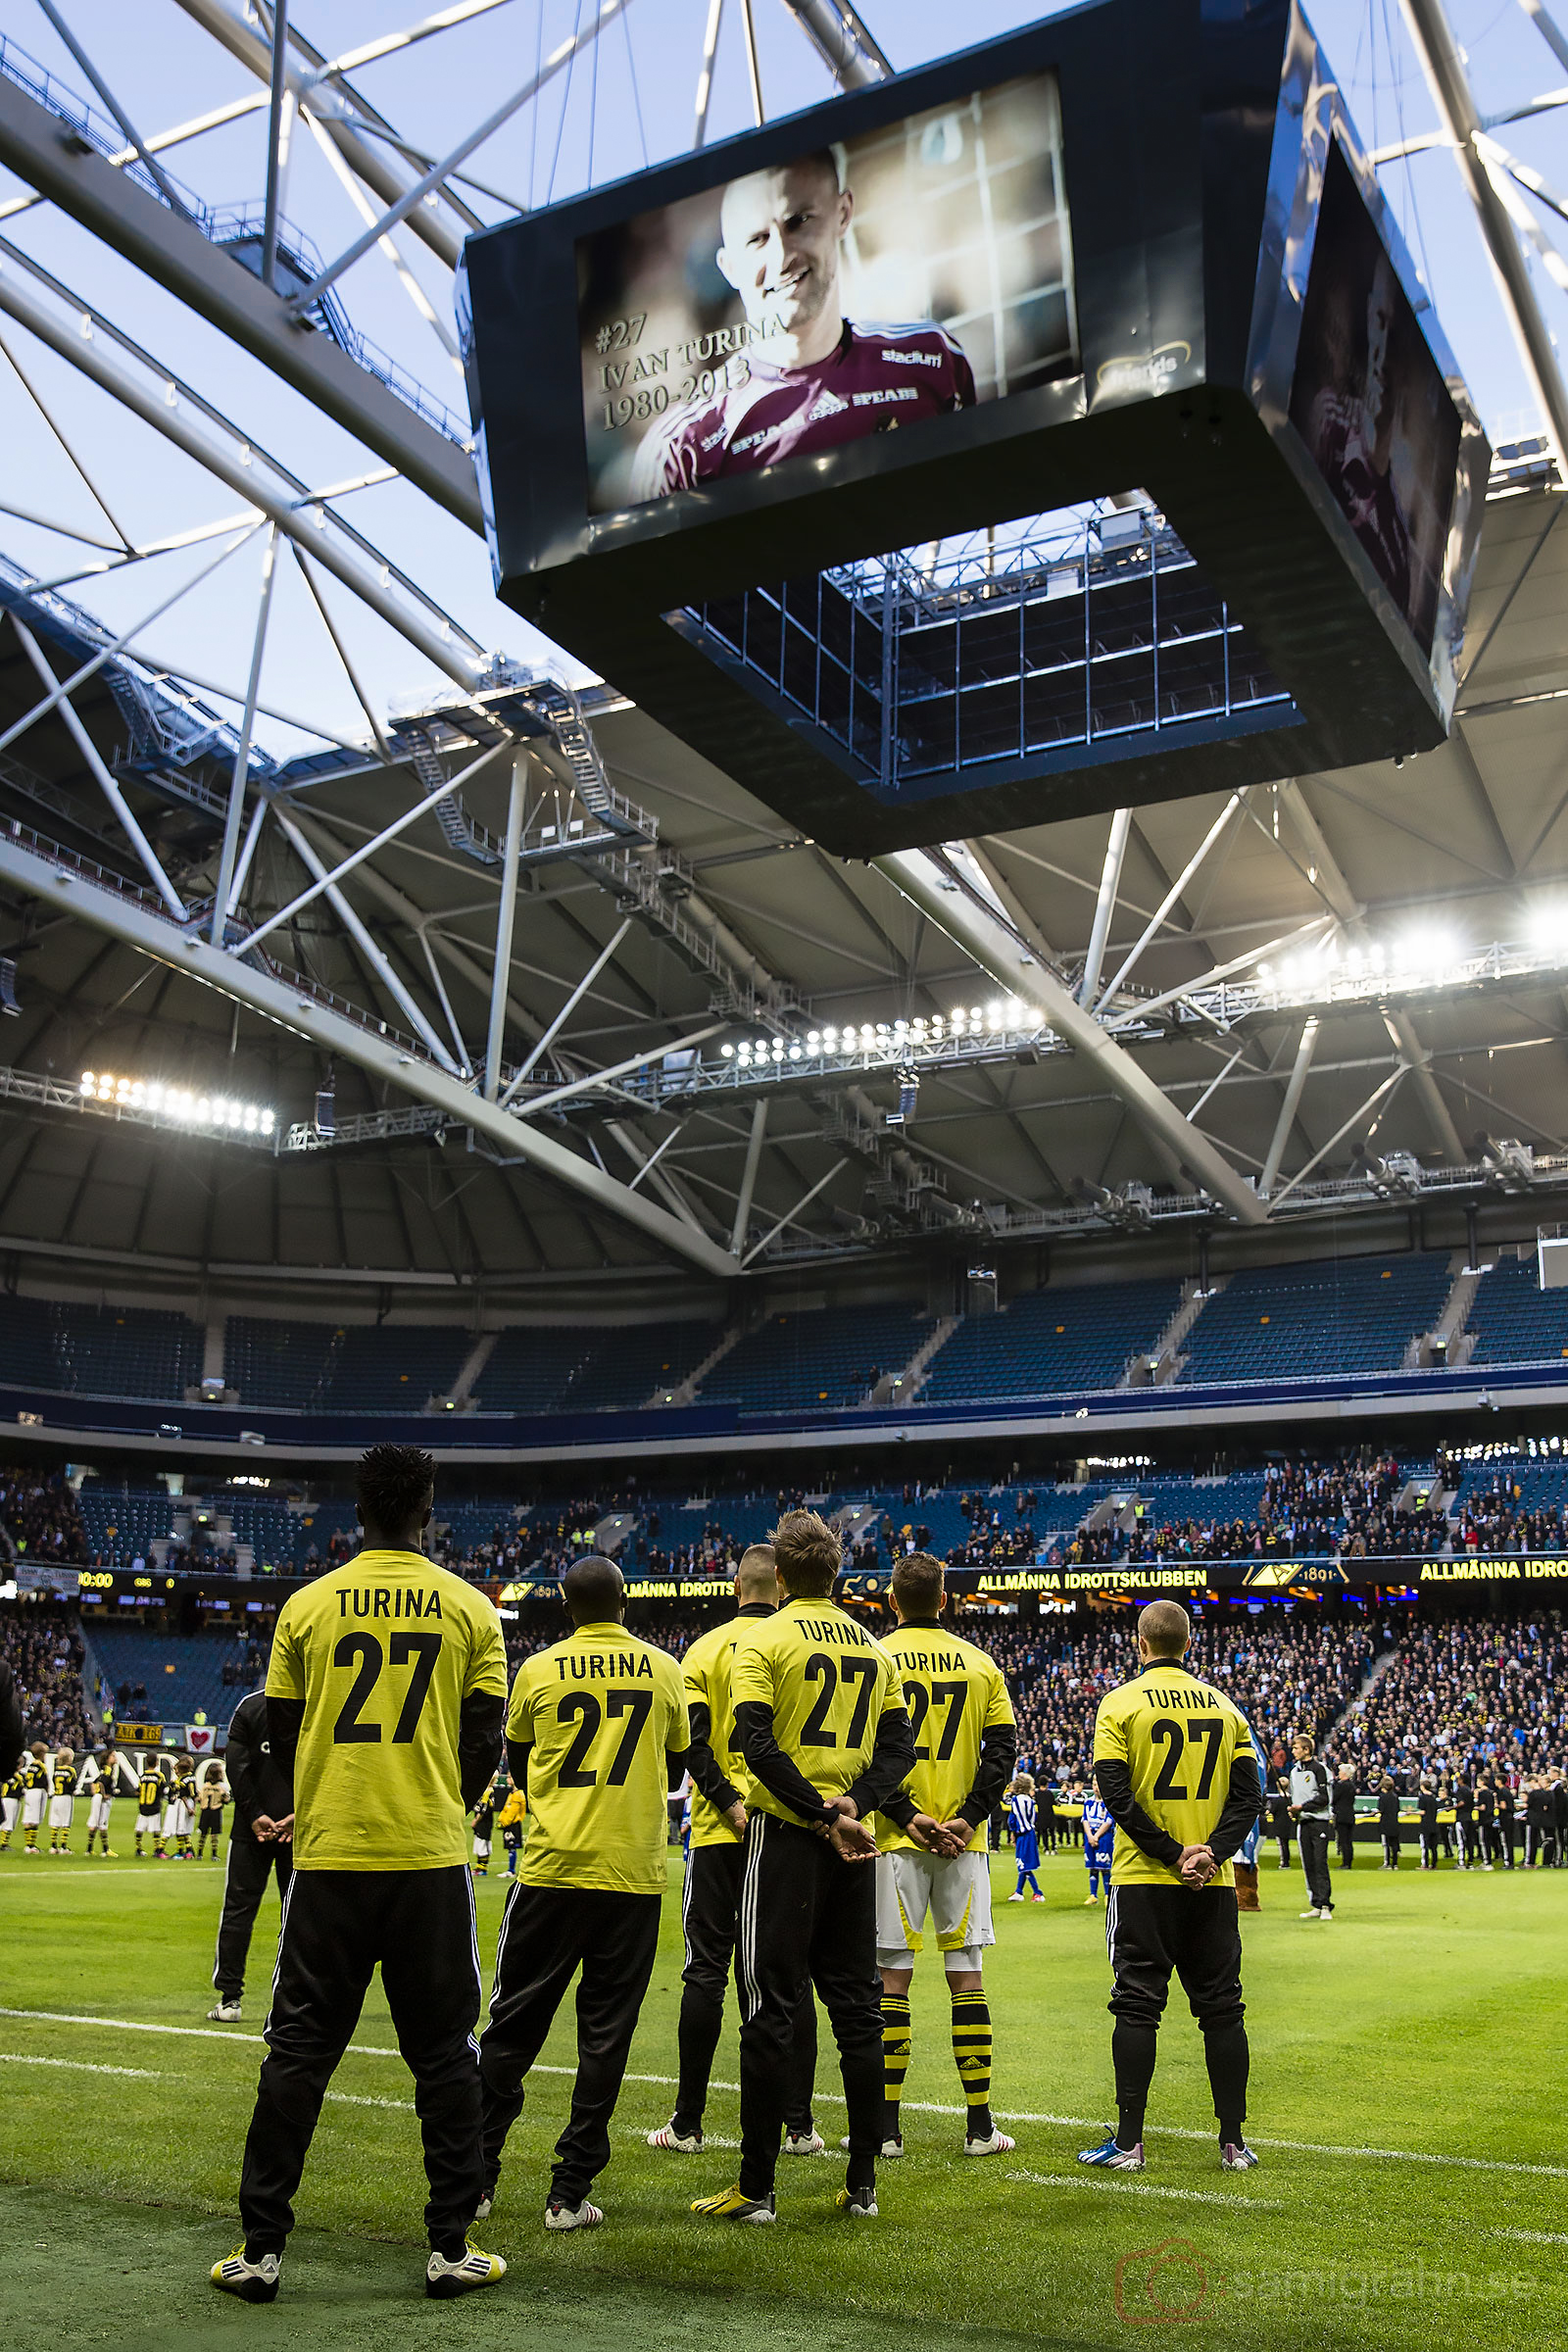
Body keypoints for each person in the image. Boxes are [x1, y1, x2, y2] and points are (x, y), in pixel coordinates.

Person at [213, 1442, 509, 2305]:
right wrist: (430, 1796)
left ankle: (261, 2251)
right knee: (447, 2056)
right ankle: (451, 2248)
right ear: (426, 1509)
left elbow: (287, 1731)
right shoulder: (470, 1608)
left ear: (359, 1509)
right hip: (427, 1857)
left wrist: (338, 1793)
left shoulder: (306, 1607)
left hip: (331, 1858)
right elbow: (484, 1742)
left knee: (297, 2052)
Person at [691, 1508, 919, 2226]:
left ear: (781, 1576)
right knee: (856, 2011)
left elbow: (753, 1745)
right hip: (852, 1846)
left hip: (789, 1837)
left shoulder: (761, 1639)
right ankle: (862, 2186)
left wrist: (822, 1814)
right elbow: (898, 1753)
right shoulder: (874, 1649)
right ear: (839, 1574)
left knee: (768, 2007)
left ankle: (756, 2189)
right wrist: (852, 1807)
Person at [478, 1554, 690, 2231]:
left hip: (550, 1870)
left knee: (510, 2032)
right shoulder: (665, 1669)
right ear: (626, 1603)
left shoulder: (537, 1670)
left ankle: (474, 2180)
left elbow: (517, 1760)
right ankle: (568, 2195)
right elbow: (675, 1766)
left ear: (566, 1606)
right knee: (605, 2040)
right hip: (630, 1876)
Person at [631, 148, 976, 500]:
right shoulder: (680, 448)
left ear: (843, 214)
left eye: (798, 222)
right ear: (729, 267)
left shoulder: (932, 357)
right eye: (757, 240)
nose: (781, 258)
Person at [647, 1545, 821, 2160]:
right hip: (788, 1833)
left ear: (735, 1583)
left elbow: (692, 1745)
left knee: (705, 1971)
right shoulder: (797, 1641)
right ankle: (798, 2125)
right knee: (789, 1979)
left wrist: (725, 1801)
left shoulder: (702, 1649)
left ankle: (688, 2122)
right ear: (779, 1582)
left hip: (720, 1835)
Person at [1078, 1598, 1263, 2176]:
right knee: (1223, 2010)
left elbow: (1114, 1792)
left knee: (1136, 2005)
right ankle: (1233, 2142)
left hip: (1143, 1880)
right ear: (1188, 1644)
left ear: (1141, 1643)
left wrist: (1170, 1852)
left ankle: (1129, 2142)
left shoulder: (1119, 1703)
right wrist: (1211, 1853)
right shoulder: (1227, 1707)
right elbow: (1249, 1796)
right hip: (1213, 1884)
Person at [872, 1552, 1018, 2159]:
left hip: (893, 1839)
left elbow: (868, 1752)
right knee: (966, 1977)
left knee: (890, 1982)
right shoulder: (982, 1665)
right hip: (964, 1845)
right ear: (947, 1599)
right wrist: (967, 1817)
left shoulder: (875, 1657)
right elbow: (1003, 1749)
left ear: (891, 1601)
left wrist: (909, 1815)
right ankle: (980, 2127)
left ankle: (885, 2131)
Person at [210, 1687, 293, 2022]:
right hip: (297, 1830)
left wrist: (254, 1813)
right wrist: (299, 1814)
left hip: (250, 1829)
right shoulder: (313, 1701)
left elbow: (237, 1765)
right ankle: (291, 2002)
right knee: (298, 1915)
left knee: (238, 1911)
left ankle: (230, 2000)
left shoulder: (250, 1706)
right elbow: (324, 1765)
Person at [1287, 1733, 1334, 1920]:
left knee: (1319, 1862)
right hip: (1303, 1822)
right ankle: (1315, 1902)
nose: (1293, 1751)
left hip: (1319, 1822)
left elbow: (1324, 1798)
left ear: (1306, 1750)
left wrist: (1302, 1807)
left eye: (1296, 1748)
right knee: (1308, 1864)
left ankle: (1325, 1905)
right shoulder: (1294, 1772)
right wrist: (1294, 1809)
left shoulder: (1319, 1769)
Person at [1006, 1777, 1042, 1901]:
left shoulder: (1016, 1800)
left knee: (1024, 1865)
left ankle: (1038, 1892)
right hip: (1030, 1833)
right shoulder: (1030, 1800)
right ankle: (1019, 1891)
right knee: (1024, 1864)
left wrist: (1013, 1832)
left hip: (1022, 1834)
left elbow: (1013, 1819)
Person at [1082, 1784, 1115, 1906]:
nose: (1096, 1787)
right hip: (1090, 1837)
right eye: (1094, 1785)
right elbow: (1085, 1819)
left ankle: (1108, 1895)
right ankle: (1093, 1895)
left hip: (1104, 1837)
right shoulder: (1088, 1802)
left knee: (1105, 1867)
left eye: (1099, 1785)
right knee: (1092, 1867)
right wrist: (1090, 1836)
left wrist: (1096, 1836)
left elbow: (1109, 1821)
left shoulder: (1108, 1802)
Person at [86, 1746, 122, 1856]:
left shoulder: (103, 1769)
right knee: (102, 1823)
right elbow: (101, 1782)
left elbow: (94, 1782)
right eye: (113, 1756)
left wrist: (95, 1792)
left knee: (94, 1823)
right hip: (102, 1800)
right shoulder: (108, 1770)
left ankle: (89, 1849)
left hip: (96, 1798)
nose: (115, 1758)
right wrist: (103, 1795)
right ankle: (105, 1850)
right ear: (107, 1758)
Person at [134, 1753, 167, 1859]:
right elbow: (163, 1790)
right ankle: (156, 1850)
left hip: (143, 1806)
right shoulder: (159, 1776)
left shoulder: (143, 1776)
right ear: (157, 1763)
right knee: (156, 1830)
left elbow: (138, 1791)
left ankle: (138, 1848)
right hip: (154, 1806)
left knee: (140, 1828)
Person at [196, 1759, 228, 1860]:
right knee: (214, 1834)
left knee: (203, 1833)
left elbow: (199, 1798)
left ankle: (199, 1854)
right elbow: (226, 1799)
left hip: (205, 1811)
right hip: (216, 1811)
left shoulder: (205, 1786)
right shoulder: (221, 1787)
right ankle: (214, 1854)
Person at [20, 1740, 48, 1854]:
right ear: (42, 1754)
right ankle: (31, 1845)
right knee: (35, 1819)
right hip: (37, 1792)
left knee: (28, 1818)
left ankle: (28, 1845)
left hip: (29, 1791)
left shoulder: (31, 1765)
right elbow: (45, 1781)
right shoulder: (41, 1766)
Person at [46, 1745, 75, 1855]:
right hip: (66, 1797)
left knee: (55, 1821)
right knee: (65, 1822)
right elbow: (73, 1785)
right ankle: (63, 1846)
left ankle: (53, 1846)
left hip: (56, 1797)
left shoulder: (56, 1770)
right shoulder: (71, 1770)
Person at [1331, 1761, 1357, 1873]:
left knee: (1343, 1840)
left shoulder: (1341, 1786)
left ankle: (1345, 1863)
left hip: (1341, 1815)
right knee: (1348, 1840)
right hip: (1350, 1814)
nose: (1339, 1773)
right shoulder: (1352, 1786)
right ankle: (1348, 1861)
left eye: (1340, 1771)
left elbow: (1334, 1798)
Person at [470, 1780, 495, 1877]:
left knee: (482, 1844)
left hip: (484, 1823)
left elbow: (483, 1809)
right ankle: (479, 1867)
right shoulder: (489, 1791)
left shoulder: (488, 1792)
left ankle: (482, 1869)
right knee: (480, 1843)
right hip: (485, 1823)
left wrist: (476, 1820)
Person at [1377, 1776, 1402, 1868]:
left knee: (1386, 1844)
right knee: (1394, 1844)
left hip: (1385, 1822)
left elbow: (1381, 1809)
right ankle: (1395, 1863)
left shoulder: (1383, 1797)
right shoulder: (1395, 1797)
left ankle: (1387, 1863)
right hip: (1394, 1822)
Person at [1417, 1777, 1440, 1870]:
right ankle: (1434, 1864)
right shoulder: (1433, 1798)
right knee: (1433, 1846)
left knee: (1424, 1845)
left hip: (1425, 1824)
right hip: (1434, 1823)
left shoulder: (1422, 1798)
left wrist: (1411, 1812)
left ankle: (1425, 1864)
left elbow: (1423, 1812)